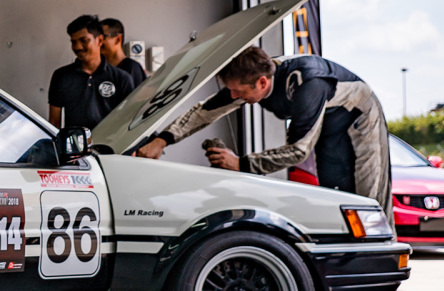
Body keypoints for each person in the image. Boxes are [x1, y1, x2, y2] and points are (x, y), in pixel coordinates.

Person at [136, 46, 392, 219]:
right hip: (327, 125)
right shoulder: (252, 77)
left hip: (360, 120)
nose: (234, 97)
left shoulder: (308, 85)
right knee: (336, 197)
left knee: (367, 203)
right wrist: (161, 140)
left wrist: (241, 163)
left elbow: (298, 151)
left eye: (238, 92)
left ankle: (386, 286)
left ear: (261, 82)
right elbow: (205, 111)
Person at [48, 15, 134, 131]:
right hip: (75, 147)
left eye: (84, 40)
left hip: (110, 148)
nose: (77, 47)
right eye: (73, 42)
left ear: (100, 40)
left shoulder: (122, 78)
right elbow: (54, 123)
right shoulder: (61, 76)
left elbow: (129, 121)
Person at [100, 17, 148, 88]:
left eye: (103, 37)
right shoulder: (100, 69)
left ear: (118, 39)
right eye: (96, 38)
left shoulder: (132, 68)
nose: (98, 42)